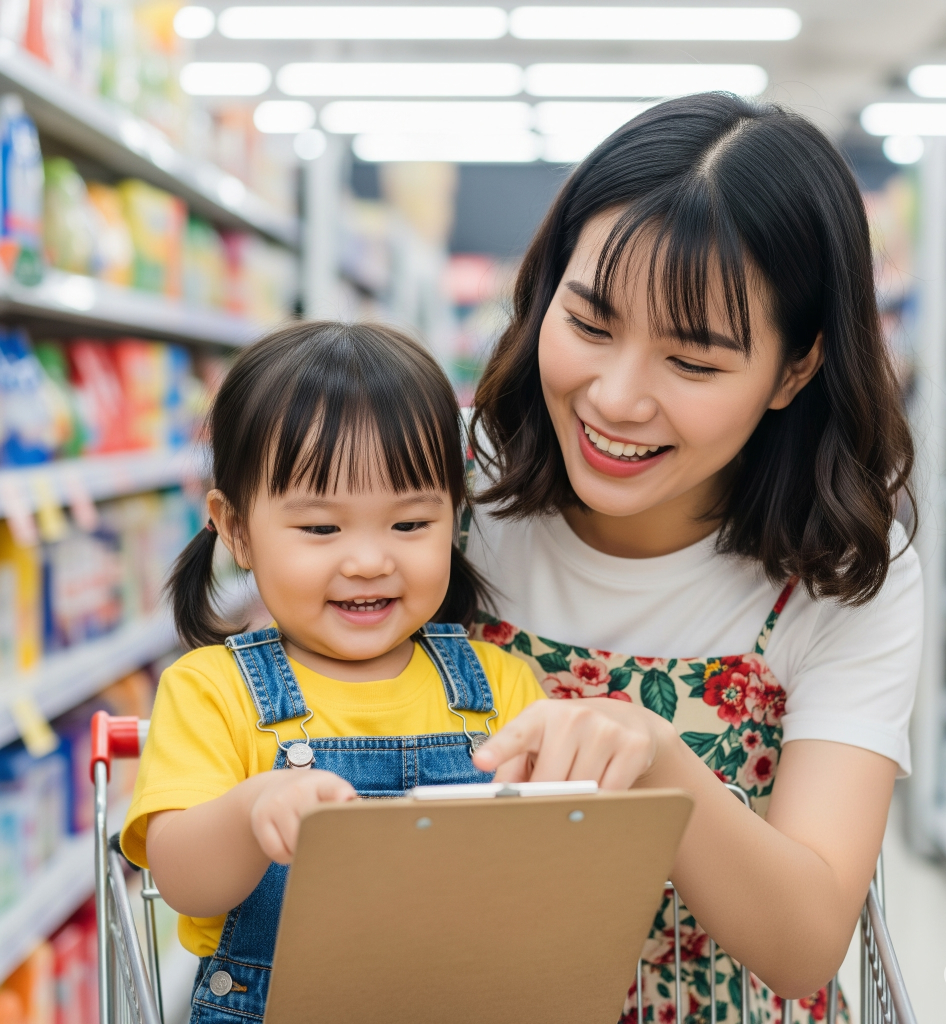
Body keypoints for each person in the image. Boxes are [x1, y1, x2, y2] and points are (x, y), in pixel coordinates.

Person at [464, 92, 923, 1023]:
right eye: (589, 324)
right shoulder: (443, 499)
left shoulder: (841, 576)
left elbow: (804, 944)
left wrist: (659, 760)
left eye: (695, 363)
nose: (617, 398)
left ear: (796, 370)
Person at [120, 321, 680, 1023]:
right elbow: (181, 880)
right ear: (234, 530)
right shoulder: (211, 690)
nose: (368, 561)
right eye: (321, 529)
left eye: (410, 525)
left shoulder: (500, 688)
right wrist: (252, 810)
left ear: (454, 517)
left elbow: (551, 880)